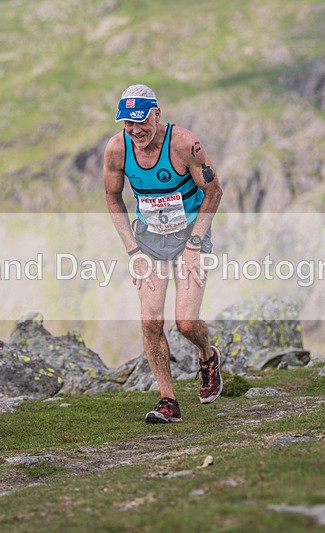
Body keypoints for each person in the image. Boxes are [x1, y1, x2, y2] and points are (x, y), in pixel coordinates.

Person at [103, 84, 224, 423]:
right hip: (149, 240)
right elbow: (113, 198)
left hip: (191, 234)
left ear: (157, 114)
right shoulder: (116, 149)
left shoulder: (184, 144)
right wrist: (132, 250)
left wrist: (194, 244)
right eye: (128, 123)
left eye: (141, 120)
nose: (136, 130)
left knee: (185, 323)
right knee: (151, 321)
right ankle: (168, 401)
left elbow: (214, 192)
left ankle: (207, 355)